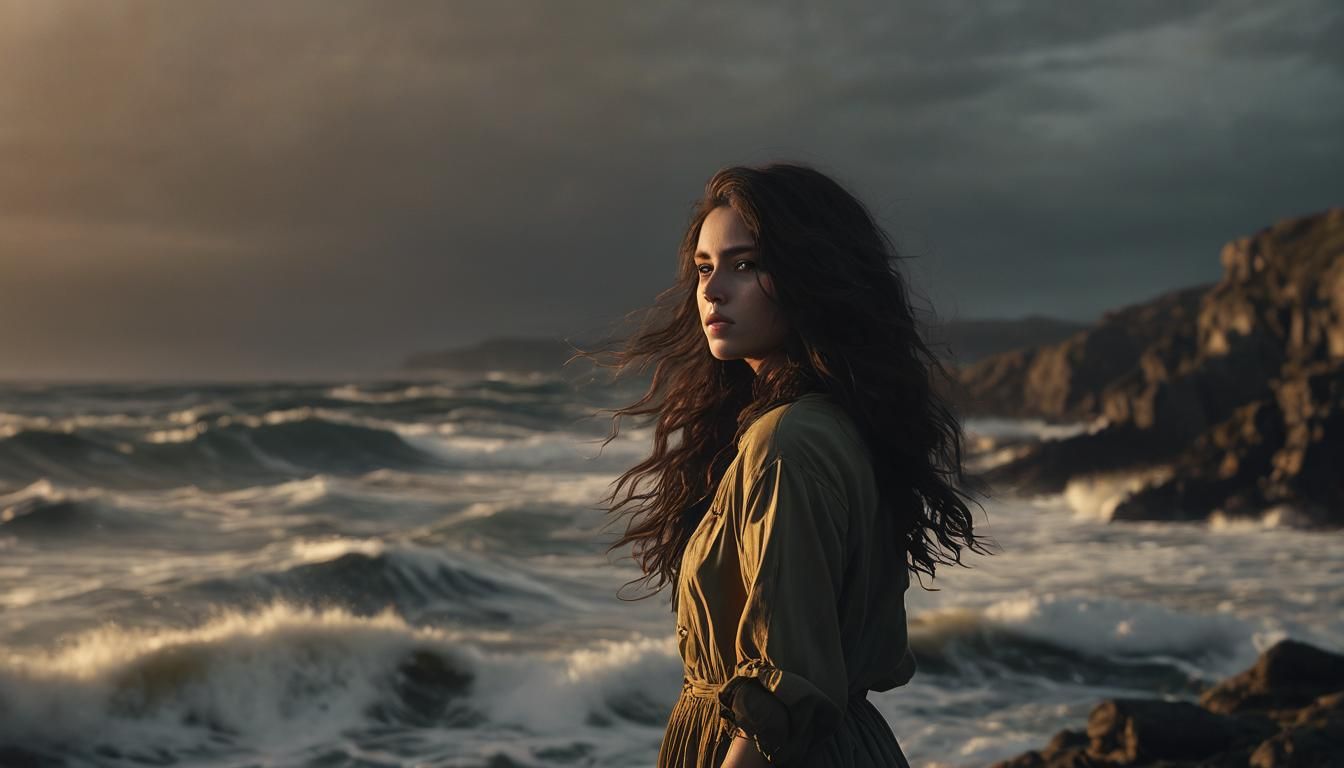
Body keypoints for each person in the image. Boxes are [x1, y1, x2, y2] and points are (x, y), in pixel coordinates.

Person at [578, 163, 994, 767]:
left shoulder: (787, 442)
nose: (713, 291)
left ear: (812, 274)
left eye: (745, 265)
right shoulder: (825, 424)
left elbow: (781, 695)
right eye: (704, 267)